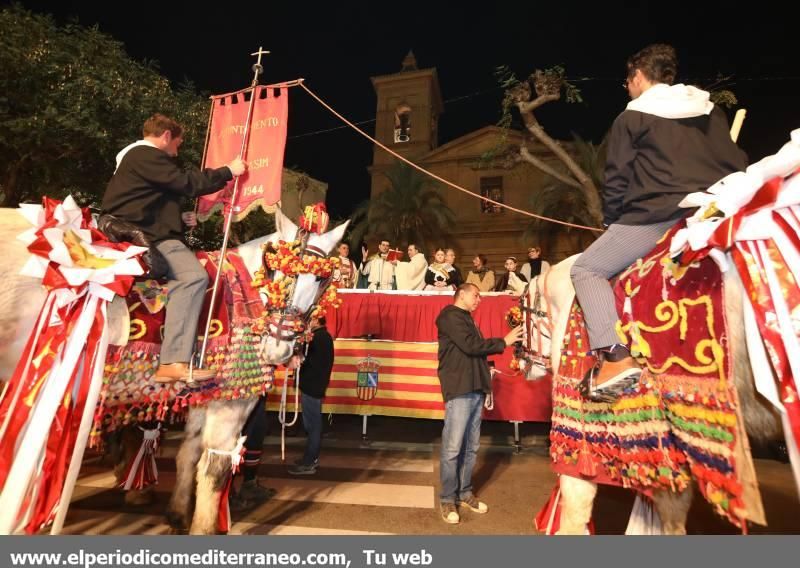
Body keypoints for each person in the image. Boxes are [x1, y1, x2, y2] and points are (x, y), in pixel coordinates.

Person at [570, 44, 748, 402]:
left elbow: (618, 177)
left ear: (638, 77)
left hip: (657, 216)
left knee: (586, 269)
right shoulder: (709, 111)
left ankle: (615, 357)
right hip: (714, 210)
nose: (627, 88)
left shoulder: (631, 116)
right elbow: (736, 160)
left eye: (627, 81)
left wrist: (611, 221)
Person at [101, 113, 247, 383]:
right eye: (177, 144)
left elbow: (143, 204)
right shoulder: (146, 154)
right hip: (148, 237)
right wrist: (228, 171)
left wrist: (178, 219)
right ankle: (174, 360)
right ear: (166, 136)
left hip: (144, 229)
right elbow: (186, 184)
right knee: (194, 277)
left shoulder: (135, 160)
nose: (176, 151)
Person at [435, 283, 523, 524]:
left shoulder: (466, 319)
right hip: (460, 388)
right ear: (461, 294)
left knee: (471, 447)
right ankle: (447, 498)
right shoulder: (449, 316)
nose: (479, 300)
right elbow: (470, 346)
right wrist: (503, 342)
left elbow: (474, 352)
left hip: (474, 388)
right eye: (476, 295)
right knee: (453, 448)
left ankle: (464, 493)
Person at [288, 316, 335, 475]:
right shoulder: (324, 337)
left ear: (316, 321)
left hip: (312, 387)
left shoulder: (317, 337)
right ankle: (309, 458)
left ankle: (309, 462)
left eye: (311, 319)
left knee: (313, 426)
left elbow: (308, 362)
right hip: (314, 386)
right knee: (312, 425)